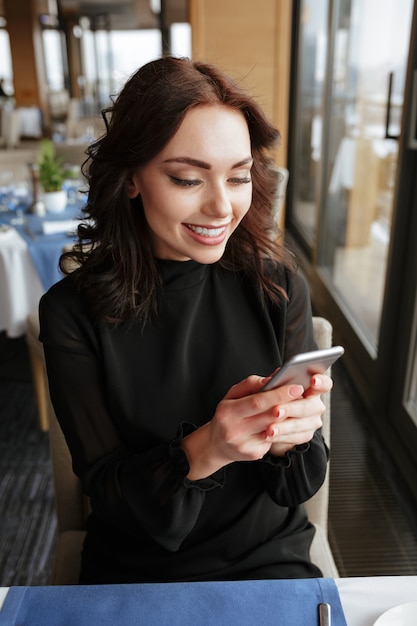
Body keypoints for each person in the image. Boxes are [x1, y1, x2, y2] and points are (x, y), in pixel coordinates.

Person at [39, 56, 332, 585]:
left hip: (267, 562)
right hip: (138, 570)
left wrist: (291, 437)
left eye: (239, 177)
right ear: (131, 178)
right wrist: (209, 448)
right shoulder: (71, 313)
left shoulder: (277, 287)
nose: (222, 207)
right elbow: (107, 495)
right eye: (188, 179)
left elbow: (297, 487)